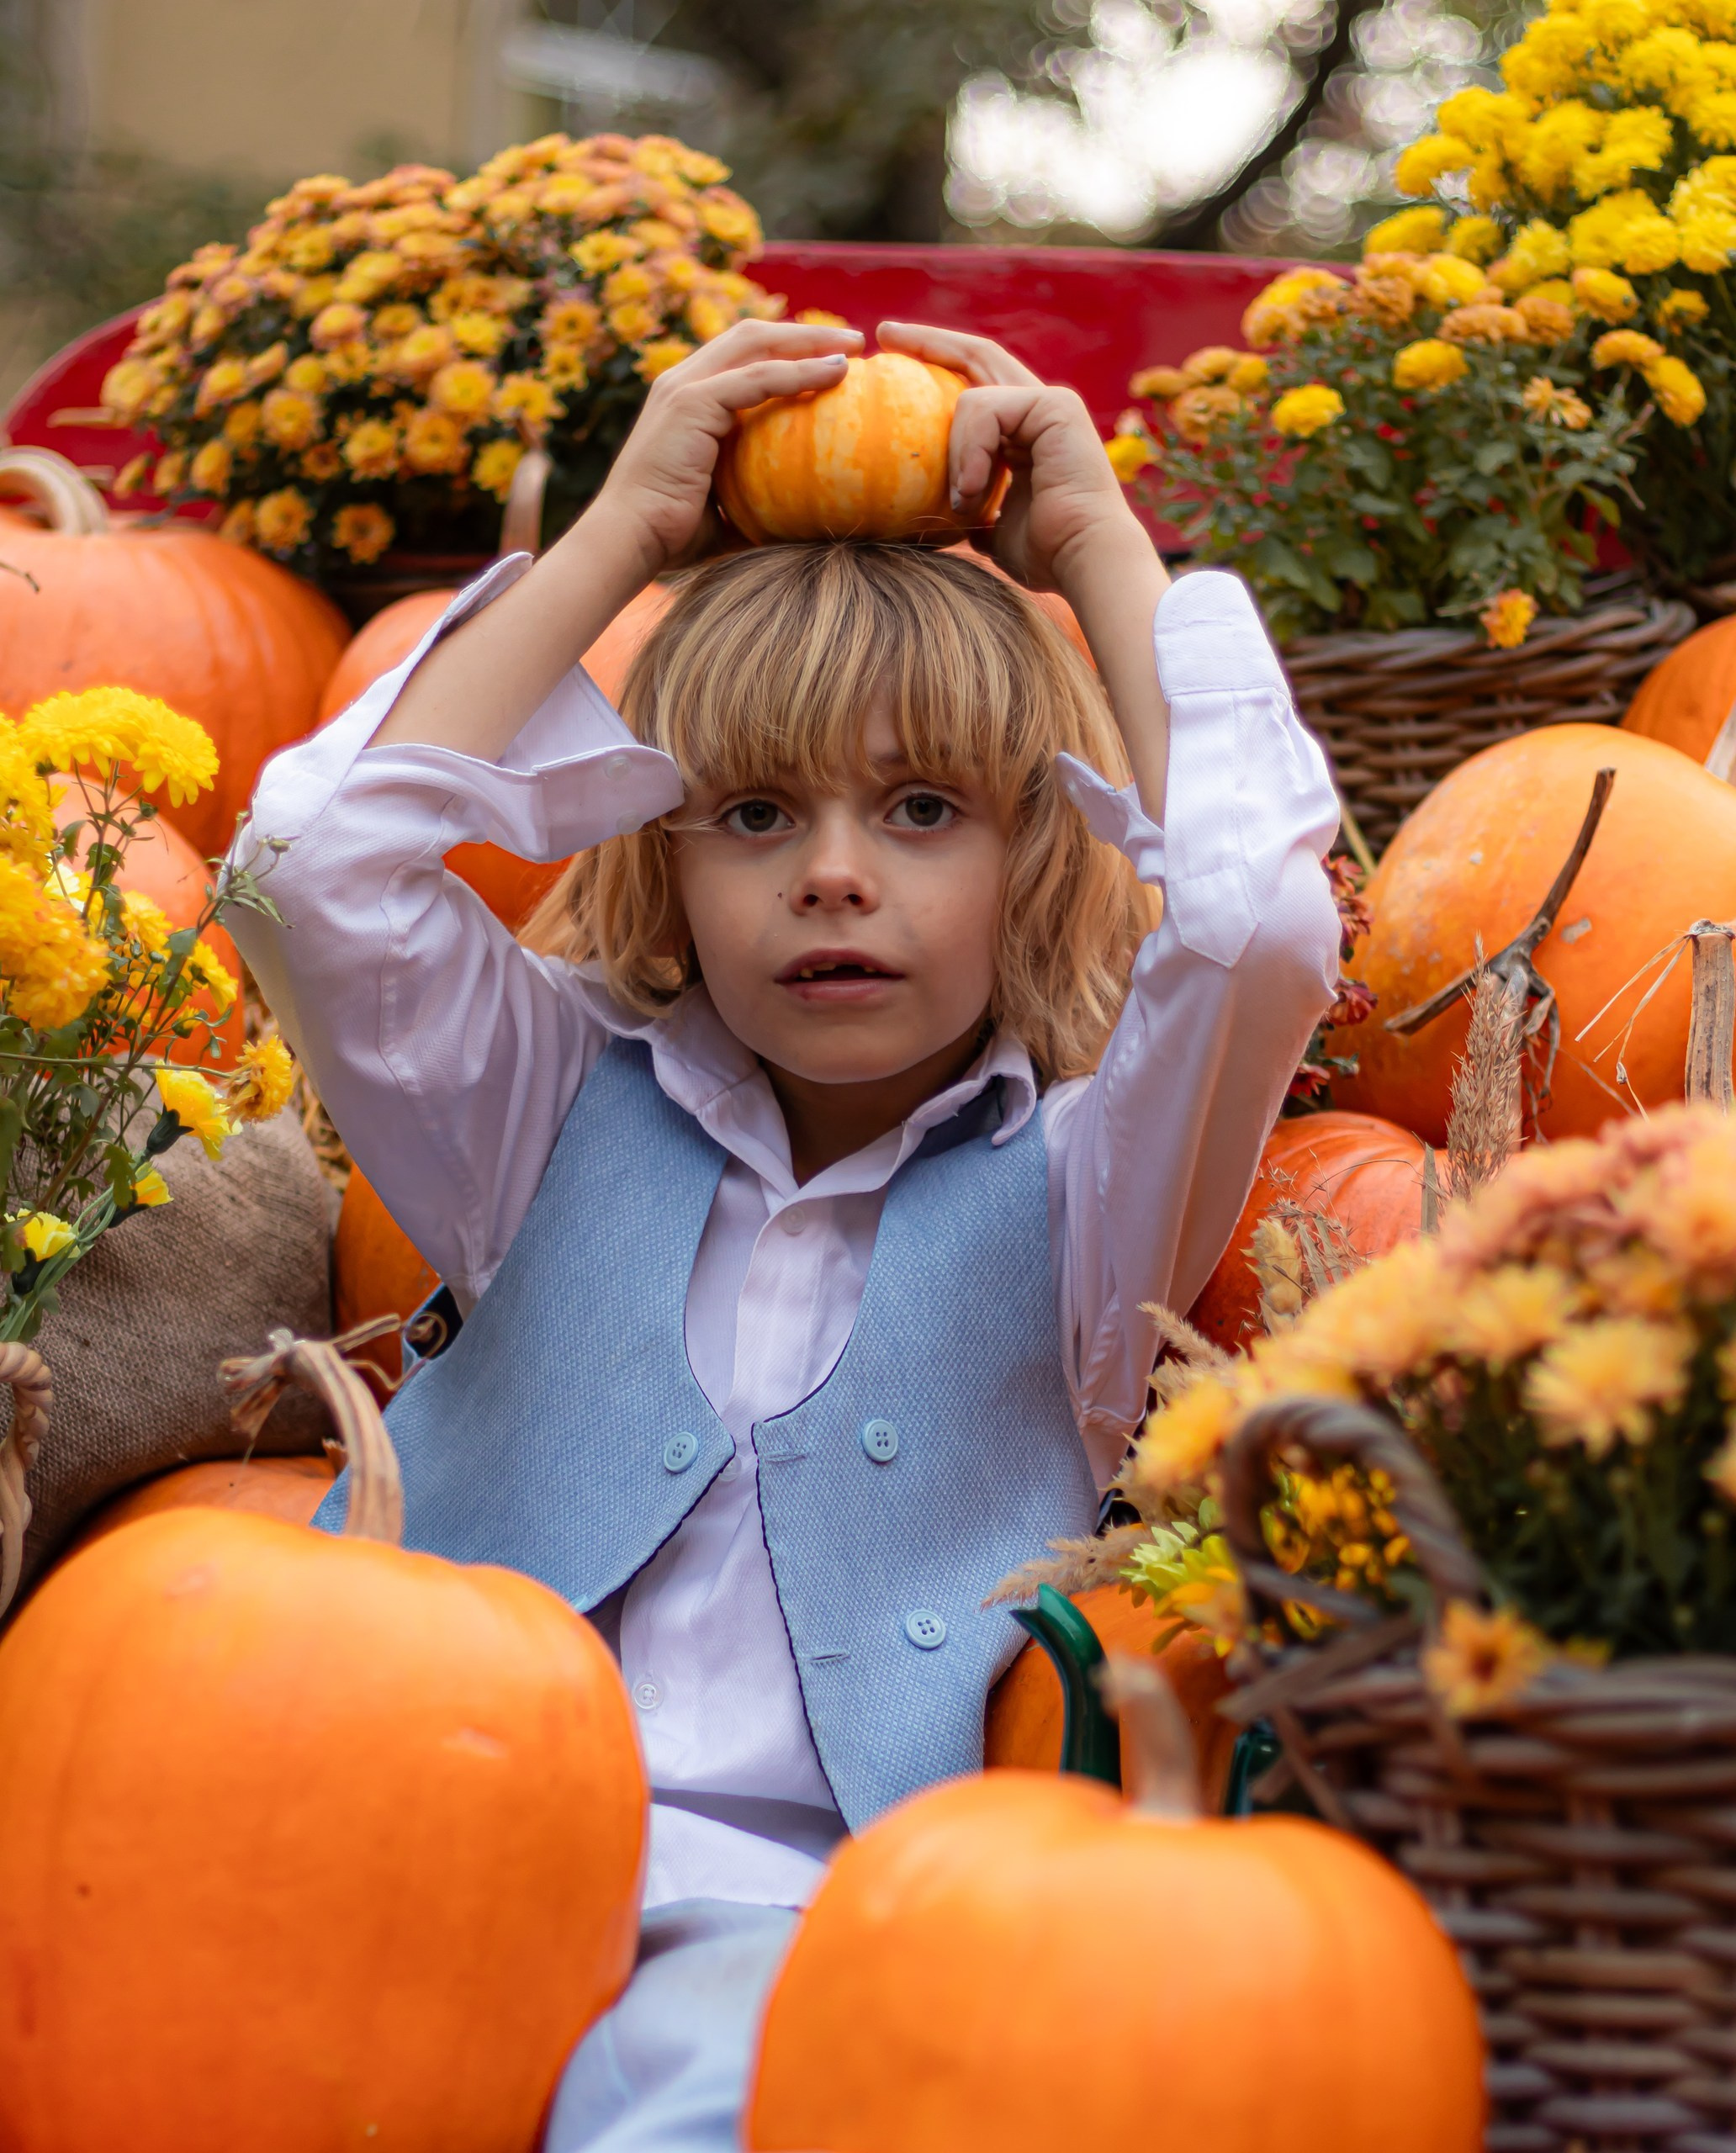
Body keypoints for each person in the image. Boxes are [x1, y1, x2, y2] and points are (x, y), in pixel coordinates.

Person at [229, 315, 1341, 2149]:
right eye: (755, 811)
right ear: (665, 855)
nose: (836, 868)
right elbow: (314, 872)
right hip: (382, 1847)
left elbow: (1263, 931)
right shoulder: (537, 1109)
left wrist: (1095, 544)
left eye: (922, 810)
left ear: (1038, 853)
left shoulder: (1087, 1201)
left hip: (774, 1925)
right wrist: (621, 540)